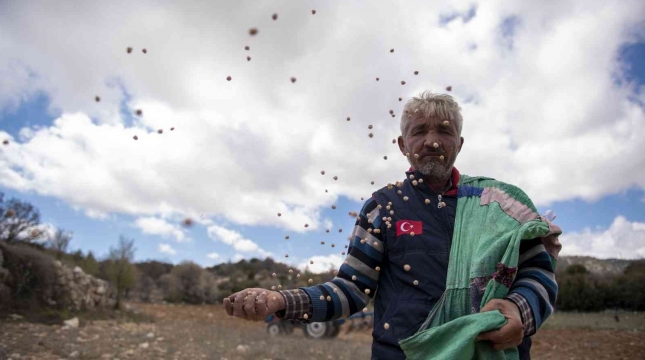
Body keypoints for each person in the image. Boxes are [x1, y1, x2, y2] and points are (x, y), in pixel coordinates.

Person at [223, 92, 562, 360]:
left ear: (459, 144)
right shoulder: (383, 207)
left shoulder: (498, 204)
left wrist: (520, 309)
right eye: (419, 131)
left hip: (490, 351)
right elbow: (351, 290)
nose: (432, 141)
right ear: (403, 145)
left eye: (444, 131)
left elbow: (537, 272)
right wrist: (281, 300)